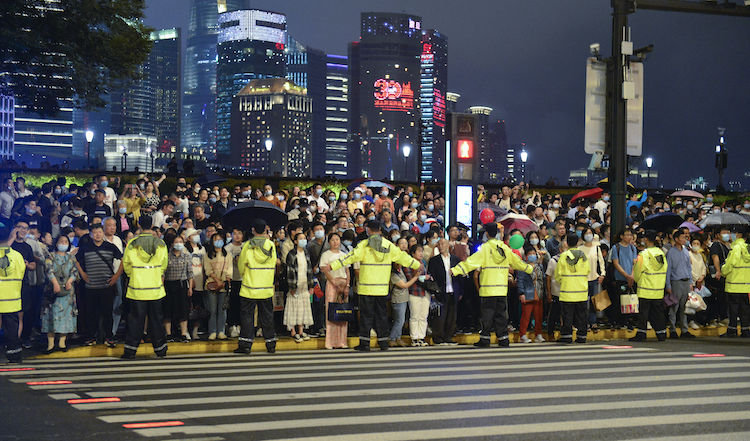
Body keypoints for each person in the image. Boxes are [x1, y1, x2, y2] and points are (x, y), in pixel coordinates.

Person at [323, 220, 421, 352]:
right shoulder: (389, 245)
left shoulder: (364, 245)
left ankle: (365, 344)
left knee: (366, 316)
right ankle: (383, 343)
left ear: (368, 230)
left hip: (366, 288)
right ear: (380, 230)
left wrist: (333, 266)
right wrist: (416, 265)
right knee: (382, 316)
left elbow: (349, 258)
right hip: (381, 289)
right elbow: (402, 257)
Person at [451, 223, 533, 348]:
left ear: (487, 233)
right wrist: (529, 268)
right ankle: (503, 339)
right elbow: (516, 262)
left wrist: (456, 270)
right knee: (501, 314)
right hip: (501, 288)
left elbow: (471, 262)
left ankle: (485, 339)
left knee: (487, 315)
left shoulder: (485, 248)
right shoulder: (505, 248)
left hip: (488, 289)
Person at [121, 216, 169, 359]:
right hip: (155, 290)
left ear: (139, 225)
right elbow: (164, 265)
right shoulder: (160, 244)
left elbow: (127, 266)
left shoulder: (132, 244)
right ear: (152, 225)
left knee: (135, 321)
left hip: (137, 290)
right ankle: (160, 350)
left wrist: (134, 274)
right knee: (156, 321)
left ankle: (130, 351)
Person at [234, 219, 277, 354]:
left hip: (249, 287)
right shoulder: (270, 245)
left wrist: (245, 274)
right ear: (265, 230)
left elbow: (242, 265)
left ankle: (246, 345)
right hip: (266, 288)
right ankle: (270, 344)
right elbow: (274, 262)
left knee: (247, 317)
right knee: (267, 317)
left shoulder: (247, 245)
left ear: (253, 230)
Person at [76, 223, 123, 347]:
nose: (98, 234)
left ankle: (109, 337)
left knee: (107, 313)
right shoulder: (85, 247)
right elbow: (75, 260)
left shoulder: (110, 246)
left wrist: (116, 276)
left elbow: (123, 260)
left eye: (100, 232)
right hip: (90, 286)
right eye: (95, 232)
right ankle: (91, 337)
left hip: (107, 286)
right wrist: (83, 274)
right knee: (90, 313)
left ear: (103, 233)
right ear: (91, 234)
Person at [41, 235, 78, 353]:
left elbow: (75, 271)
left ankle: (62, 342)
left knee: (66, 316)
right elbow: (48, 270)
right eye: (61, 241)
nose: (63, 243)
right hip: (52, 291)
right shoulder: (50, 256)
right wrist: (55, 283)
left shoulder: (71, 258)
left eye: (65, 241)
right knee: (50, 315)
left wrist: (70, 281)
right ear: (56, 243)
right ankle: (50, 344)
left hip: (67, 291)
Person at [629, 231, 668, 342]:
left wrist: (636, 280)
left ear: (646, 239)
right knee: (658, 313)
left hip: (645, 288)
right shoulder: (660, 253)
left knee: (643, 313)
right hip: (658, 289)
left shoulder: (643, 254)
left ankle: (641, 334)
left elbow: (638, 270)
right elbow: (665, 269)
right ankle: (661, 333)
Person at [555, 233, 591, 344]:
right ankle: (581, 336)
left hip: (567, 291)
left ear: (566, 243)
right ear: (577, 242)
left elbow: (558, 275)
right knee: (581, 315)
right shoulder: (583, 256)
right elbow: (588, 271)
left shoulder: (563, 256)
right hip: (581, 291)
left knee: (567, 315)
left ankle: (567, 336)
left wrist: (564, 281)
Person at [428, 238, 462, 345]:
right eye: (439, 244)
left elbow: (460, 277)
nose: (441, 246)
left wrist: (461, 291)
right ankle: (438, 337)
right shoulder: (434, 260)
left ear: (448, 245)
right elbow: (431, 277)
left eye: (443, 244)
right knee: (440, 315)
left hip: (453, 290)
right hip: (440, 291)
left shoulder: (455, 260)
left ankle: (449, 336)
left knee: (452, 315)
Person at [320, 232, 350, 349]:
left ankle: (342, 341)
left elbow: (347, 271)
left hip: (343, 284)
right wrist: (334, 283)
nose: (335, 242)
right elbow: (325, 271)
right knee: (331, 311)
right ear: (329, 242)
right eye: (333, 240)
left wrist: (347, 286)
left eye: (337, 240)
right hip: (332, 284)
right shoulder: (325, 255)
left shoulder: (344, 254)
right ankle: (330, 342)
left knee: (343, 313)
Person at [0, 227, 26, 363]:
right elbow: (21, 273)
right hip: (13, 299)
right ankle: (14, 355)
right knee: (12, 330)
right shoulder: (17, 256)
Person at [284, 232, 315, 342]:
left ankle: (301, 330)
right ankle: (293, 331)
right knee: (293, 307)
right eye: (300, 239)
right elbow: (289, 271)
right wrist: (292, 287)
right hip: (295, 285)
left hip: (305, 285)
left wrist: (311, 285)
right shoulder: (292, 254)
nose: (303, 240)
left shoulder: (306, 253)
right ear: (295, 241)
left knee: (303, 307)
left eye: (304, 238)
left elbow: (310, 270)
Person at [163, 235, 194, 342]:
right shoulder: (166, 255)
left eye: (181, 241)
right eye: (176, 242)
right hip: (168, 285)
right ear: (172, 243)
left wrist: (190, 288)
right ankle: (168, 334)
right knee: (168, 310)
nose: (179, 243)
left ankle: (183, 333)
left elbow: (190, 273)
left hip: (182, 285)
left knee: (183, 310)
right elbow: (163, 273)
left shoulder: (186, 256)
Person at [665, 229, 695, 339]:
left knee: (685, 307)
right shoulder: (671, 253)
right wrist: (668, 285)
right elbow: (668, 270)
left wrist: (691, 282)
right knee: (674, 307)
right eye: (682, 237)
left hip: (686, 281)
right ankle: (672, 329)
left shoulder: (686, 251)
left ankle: (684, 330)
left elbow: (689, 268)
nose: (684, 239)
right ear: (676, 239)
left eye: (685, 237)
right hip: (676, 282)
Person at [719, 232, 750, 338]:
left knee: (733, 309)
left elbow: (730, 265)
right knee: (745, 309)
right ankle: (745, 330)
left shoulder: (736, 248)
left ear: (738, 235)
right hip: (746, 286)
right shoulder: (748, 248)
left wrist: (723, 270)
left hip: (734, 285)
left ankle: (732, 330)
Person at [203, 232, 231, 340]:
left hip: (224, 285)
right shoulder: (208, 255)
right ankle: (213, 331)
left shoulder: (227, 254)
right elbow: (208, 270)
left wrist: (226, 280)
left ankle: (221, 331)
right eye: (216, 239)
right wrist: (217, 280)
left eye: (220, 239)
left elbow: (230, 270)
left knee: (222, 309)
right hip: (211, 285)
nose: (218, 242)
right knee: (212, 310)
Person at [516, 247, 545, 343]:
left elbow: (542, 278)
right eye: (530, 253)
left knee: (538, 316)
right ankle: (523, 335)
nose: (532, 255)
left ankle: (538, 334)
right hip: (528, 293)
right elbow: (520, 280)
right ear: (526, 256)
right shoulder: (522, 266)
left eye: (533, 253)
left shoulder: (539, 266)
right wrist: (521, 293)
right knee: (526, 316)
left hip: (538, 293)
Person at [224, 228, 245, 338]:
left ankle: (241, 325)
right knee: (232, 304)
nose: (237, 236)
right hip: (232, 279)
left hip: (244, 279)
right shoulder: (227, 248)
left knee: (243, 305)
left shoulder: (245, 246)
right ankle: (232, 325)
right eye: (235, 233)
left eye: (239, 233)